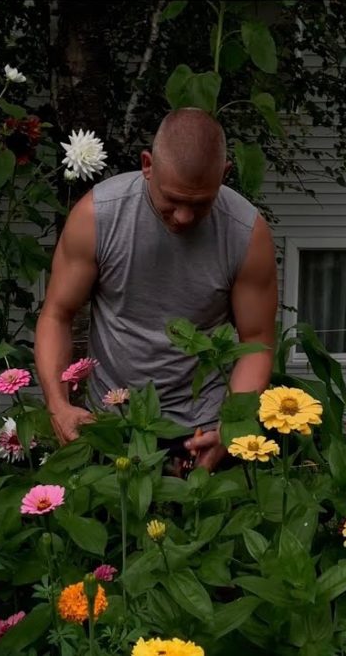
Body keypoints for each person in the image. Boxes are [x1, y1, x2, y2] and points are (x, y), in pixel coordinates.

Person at [35, 108, 277, 472]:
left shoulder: (245, 234)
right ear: (147, 165)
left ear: (225, 174)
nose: (183, 217)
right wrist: (58, 404)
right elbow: (56, 314)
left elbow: (257, 342)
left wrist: (232, 430)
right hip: (112, 424)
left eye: (199, 204)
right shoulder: (98, 217)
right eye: (172, 199)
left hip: (203, 432)